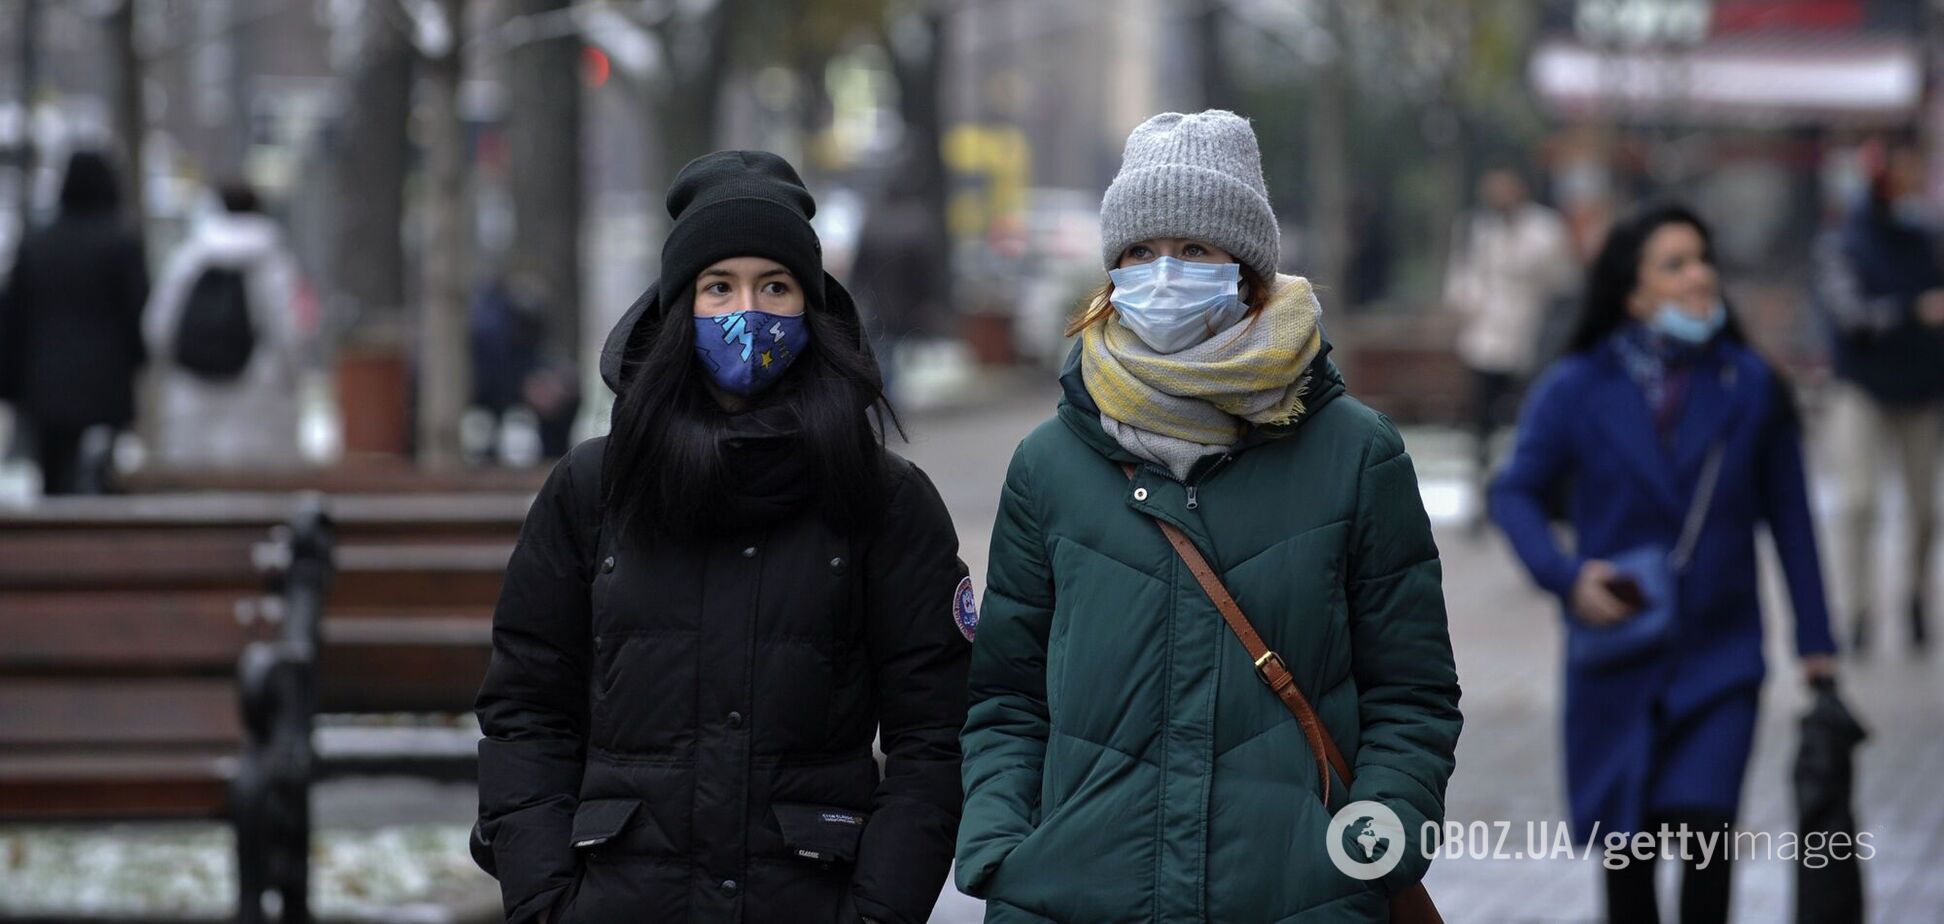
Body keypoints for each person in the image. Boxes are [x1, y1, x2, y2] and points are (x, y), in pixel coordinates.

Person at [956, 110, 1462, 923]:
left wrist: (1374, 851)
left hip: (1297, 900)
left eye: (1194, 250)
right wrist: (1002, 850)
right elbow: (1007, 700)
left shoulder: (1357, 456)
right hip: (1074, 899)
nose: (1164, 273)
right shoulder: (1048, 465)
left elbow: (1412, 695)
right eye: (1140, 252)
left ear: (1248, 267)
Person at [472, 151, 972, 924]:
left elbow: (935, 735)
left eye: (775, 285)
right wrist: (546, 900)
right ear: (680, 308)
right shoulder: (592, 491)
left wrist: (878, 913)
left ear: (811, 304)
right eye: (719, 286)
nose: (749, 310)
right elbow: (528, 709)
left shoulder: (884, 501)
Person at [1491, 202, 1838, 924]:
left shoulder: (1751, 387)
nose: (1699, 275)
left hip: (1722, 662)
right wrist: (1565, 578)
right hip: (1617, 656)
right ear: (1633, 291)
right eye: (1675, 264)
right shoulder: (1577, 386)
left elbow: (1793, 521)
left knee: (1707, 853)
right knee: (1629, 867)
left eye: (1703, 258)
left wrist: (1818, 647)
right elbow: (1515, 492)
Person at [1812, 135, 1944, 653]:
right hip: (1861, 386)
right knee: (1860, 502)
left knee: (1924, 509)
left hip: (1923, 388)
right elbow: (1850, 315)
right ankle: (1858, 612)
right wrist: (1915, 313)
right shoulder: (1845, 240)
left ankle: (1914, 600)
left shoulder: (1929, 237)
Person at [0, 151, 149, 494]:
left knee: (53, 483)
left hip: (45, 383)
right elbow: (136, 311)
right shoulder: (121, 242)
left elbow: (13, 315)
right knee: (102, 478)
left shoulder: (38, 242)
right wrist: (135, 361)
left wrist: (12, 381)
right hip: (105, 382)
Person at [1443, 167, 1577, 518]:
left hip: (1530, 337)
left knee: (1530, 417)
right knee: (1481, 424)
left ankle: (1529, 489)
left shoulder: (1546, 231)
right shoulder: (1476, 229)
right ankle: (1481, 492)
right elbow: (1461, 278)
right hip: (1485, 337)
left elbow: (1561, 285)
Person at [143, 182, 304, 468]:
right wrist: (289, 379)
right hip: (257, 395)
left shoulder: (190, 257)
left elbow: (158, 325)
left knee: (197, 486)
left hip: (192, 394)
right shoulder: (273, 262)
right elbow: (288, 332)